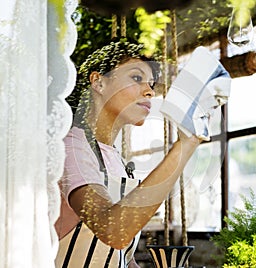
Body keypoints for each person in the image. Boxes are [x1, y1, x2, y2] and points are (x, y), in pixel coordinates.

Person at [55, 37, 203, 268]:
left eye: (152, 84)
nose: (149, 92)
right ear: (98, 82)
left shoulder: (118, 161)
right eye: (136, 78)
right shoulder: (72, 147)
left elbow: (121, 257)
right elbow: (113, 230)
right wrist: (186, 144)